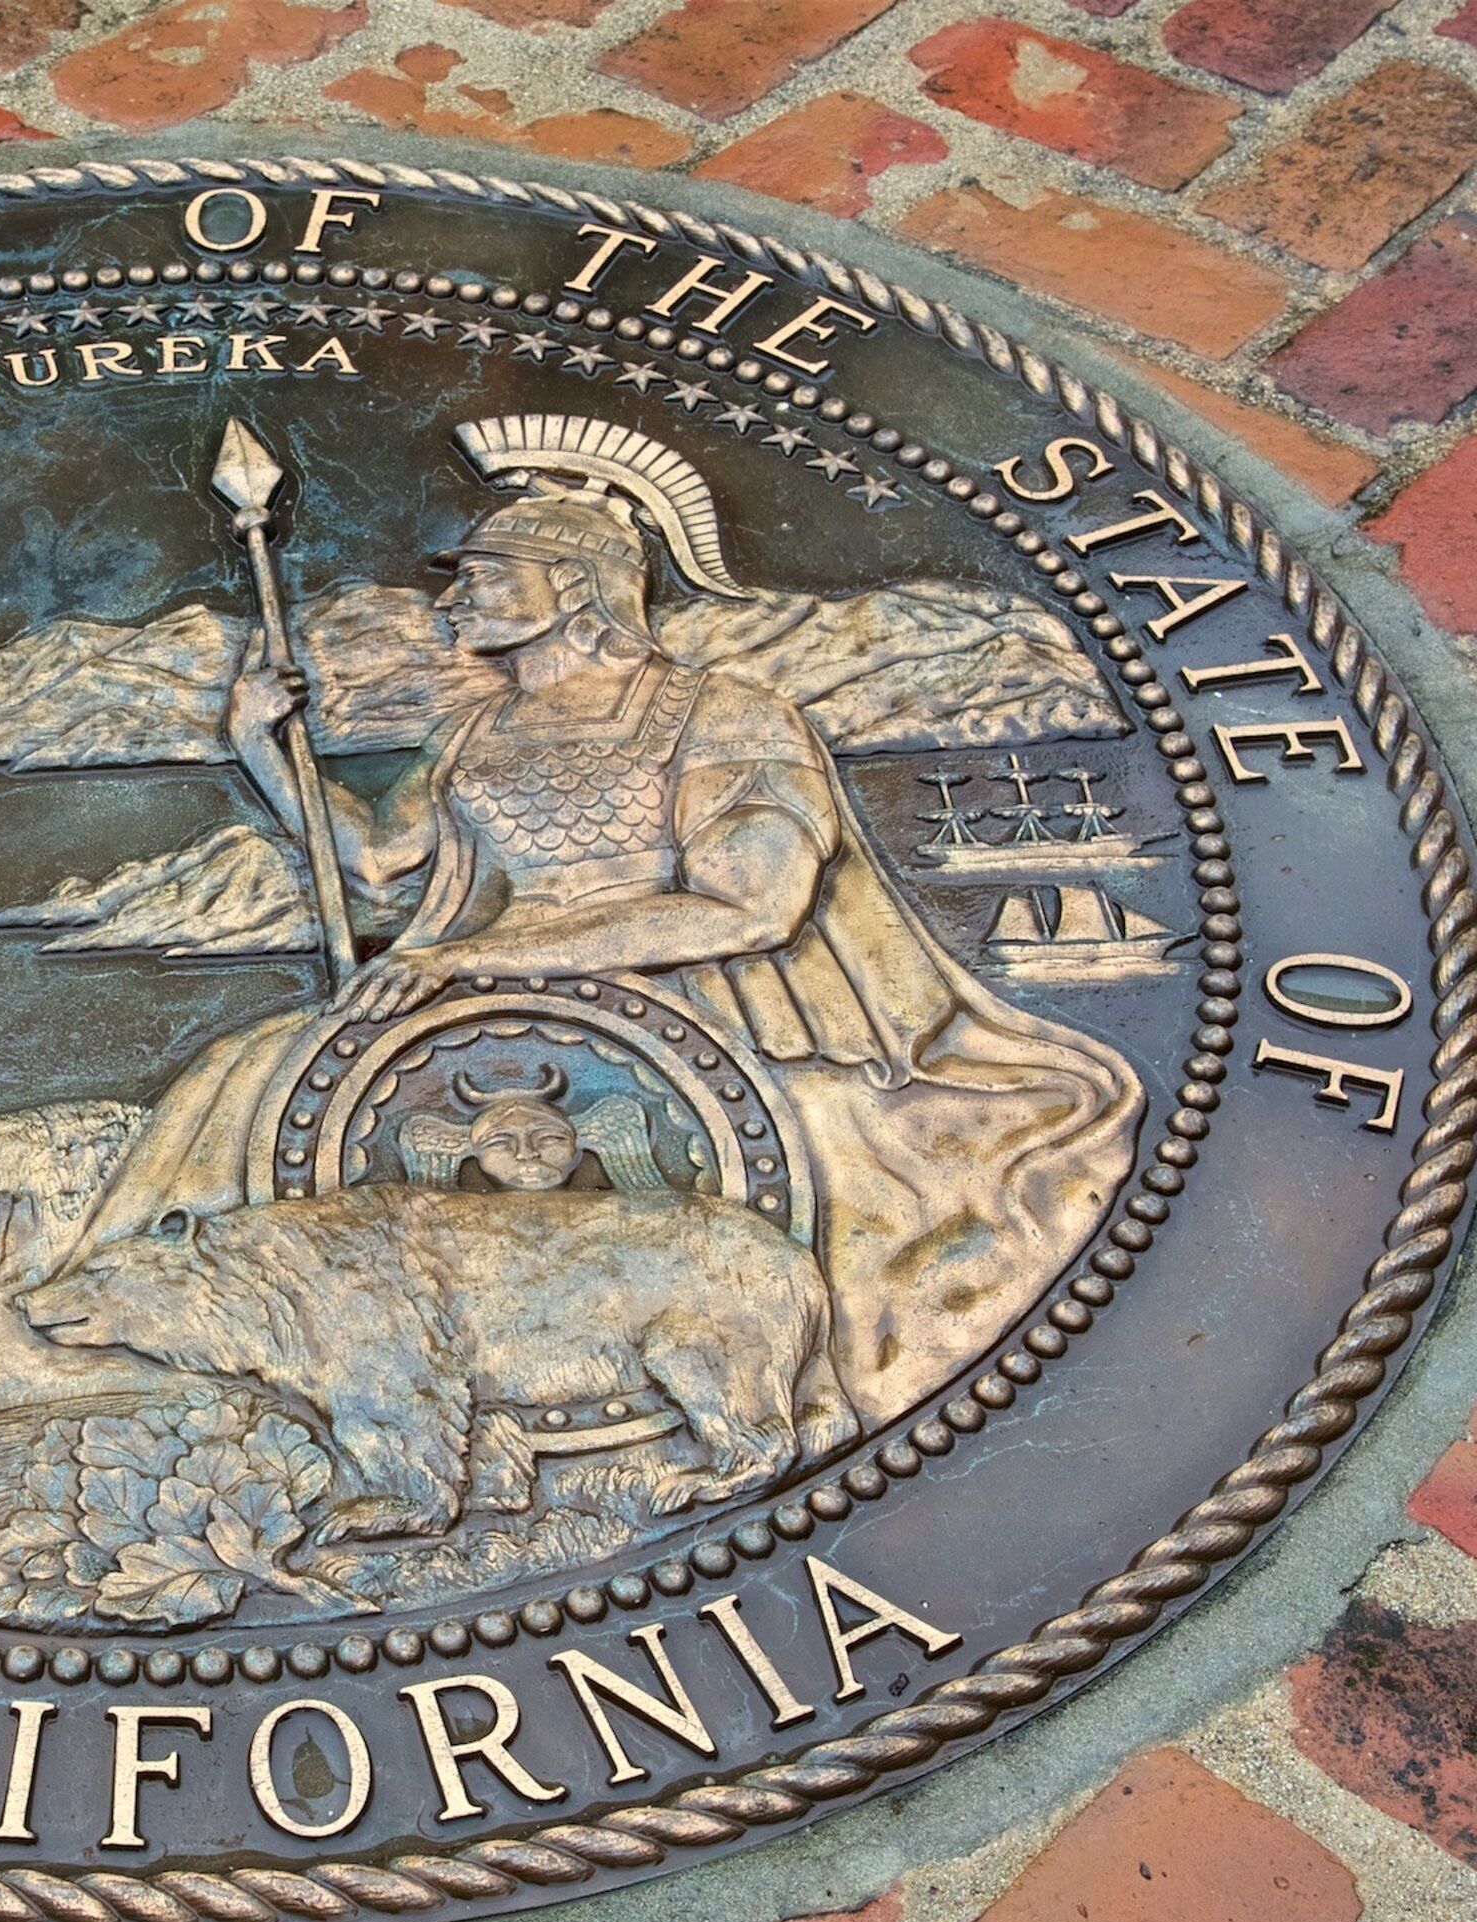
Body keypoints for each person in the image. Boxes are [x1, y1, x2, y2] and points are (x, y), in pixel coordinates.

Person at [77, 416, 1143, 1425]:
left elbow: (753, 903)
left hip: (679, 985)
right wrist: (263, 747)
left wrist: (480, 957)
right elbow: (372, 861)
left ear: (577, 585)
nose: (455, 597)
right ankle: (150, 1343)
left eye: (488, 574)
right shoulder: (476, 726)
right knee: (235, 1078)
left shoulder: (723, 713)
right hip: (477, 985)